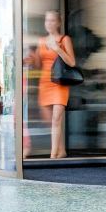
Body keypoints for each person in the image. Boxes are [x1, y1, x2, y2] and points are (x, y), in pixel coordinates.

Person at [36, 9, 76, 159]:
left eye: (52, 20)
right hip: (45, 83)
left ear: (58, 22)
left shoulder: (64, 39)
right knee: (50, 121)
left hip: (59, 83)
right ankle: (62, 151)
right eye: (47, 20)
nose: (49, 23)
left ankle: (53, 156)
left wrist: (57, 49)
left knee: (56, 118)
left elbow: (72, 62)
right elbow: (38, 64)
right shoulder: (41, 41)